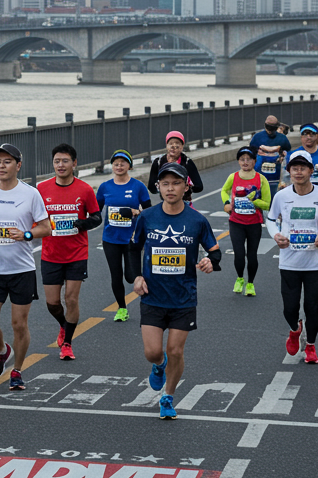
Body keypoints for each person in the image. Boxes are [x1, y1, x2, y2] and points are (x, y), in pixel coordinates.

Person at [130, 162, 220, 419]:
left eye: (176, 183)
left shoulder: (197, 220)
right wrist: (136, 276)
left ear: (186, 187)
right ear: (158, 187)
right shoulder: (147, 217)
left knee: (176, 351)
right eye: (165, 184)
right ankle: (159, 366)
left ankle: (167, 396)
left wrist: (210, 262)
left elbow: (215, 252)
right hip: (153, 295)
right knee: (153, 352)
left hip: (183, 298)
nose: (170, 189)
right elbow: (133, 249)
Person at [0, 143, 51, 391]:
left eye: (7, 161)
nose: (1, 166)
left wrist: (26, 235)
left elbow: (46, 228)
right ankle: (2, 350)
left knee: (19, 325)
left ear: (18, 165)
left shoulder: (31, 194)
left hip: (21, 270)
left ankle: (17, 370)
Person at [267, 151, 318, 365]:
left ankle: (310, 346)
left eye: (303, 168)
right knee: (289, 308)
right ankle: (295, 330)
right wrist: (276, 235)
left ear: (311, 171)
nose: (298, 172)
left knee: (312, 307)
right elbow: (271, 220)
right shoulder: (281, 196)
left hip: (314, 262)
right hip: (289, 260)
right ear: (289, 171)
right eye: (294, 168)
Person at [38, 144, 103, 361]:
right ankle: (63, 325)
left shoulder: (85, 189)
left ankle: (67, 343)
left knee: (71, 299)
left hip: (77, 253)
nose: (61, 165)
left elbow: (97, 217)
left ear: (74, 163)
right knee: (52, 303)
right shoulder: (41, 189)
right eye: (57, 161)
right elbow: (33, 217)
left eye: (65, 161)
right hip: (51, 253)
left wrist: (82, 223)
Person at [96, 150, 152, 323]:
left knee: (131, 275)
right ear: (112, 166)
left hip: (132, 238)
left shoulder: (138, 186)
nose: (119, 166)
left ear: (129, 166)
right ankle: (122, 308)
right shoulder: (105, 187)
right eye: (116, 163)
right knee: (116, 275)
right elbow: (95, 212)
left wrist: (136, 212)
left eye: (123, 163)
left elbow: (149, 212)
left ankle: (149, 298)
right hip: (110, 238)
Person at [222, 147, 271, 297]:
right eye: (242, 159)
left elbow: (267, 204)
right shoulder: (233, 177)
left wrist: (254, 201)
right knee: (238, 253)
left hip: (254, 223)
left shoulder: (261, 179)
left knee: (252, 255)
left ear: (254, 161)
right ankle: (240, 278)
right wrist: (226, 203)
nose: (245, 162)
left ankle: (250, 283)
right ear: (238, 161)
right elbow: (224, 190)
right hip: (236, 222)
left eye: (248, 159)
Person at [147, 131, 204, 203]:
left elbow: (199, 186)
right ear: (166, 145)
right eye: (171, 144)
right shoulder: (158, 162)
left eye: (177, 144)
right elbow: (151, 187)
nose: (173, 147)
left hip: (184, 202)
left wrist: (184, 188)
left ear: (182, 147)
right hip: (166, 202)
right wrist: (163, 188)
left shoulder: (187, 162)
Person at [248, 115, 292, 189]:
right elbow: (288, 151)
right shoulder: (282, 138)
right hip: (274, 173)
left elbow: (251, 152)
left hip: (263, 173)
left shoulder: (257, 137)